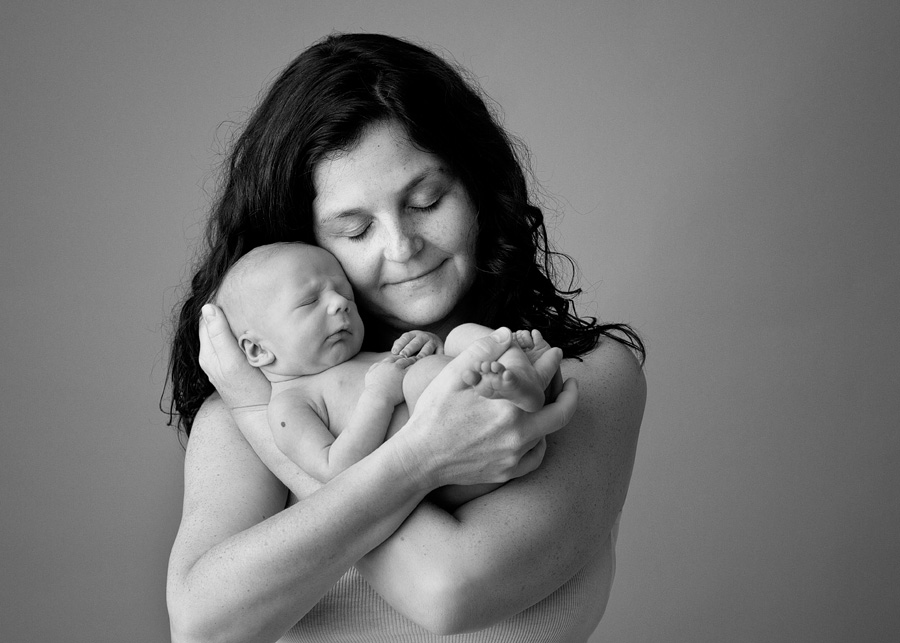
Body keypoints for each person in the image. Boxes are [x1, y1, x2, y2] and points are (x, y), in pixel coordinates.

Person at [166, 33, 646, 642]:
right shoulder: (251, 411)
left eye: (426, 201)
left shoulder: (583, 378)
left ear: (476, 188)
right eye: (356, 229)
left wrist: (259, 416)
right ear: (307, 244)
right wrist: (416, 457)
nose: (401, 247)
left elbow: (451, 590)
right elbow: (203, 630)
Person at [214, 240, 562, 491]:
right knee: (421, 379)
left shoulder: (366, 356)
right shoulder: (288, 406)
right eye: (309, 301)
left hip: (487, 421)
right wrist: (378, 397)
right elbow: (335, 472)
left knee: (459, 337)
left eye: (344, 293)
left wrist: (430, 346)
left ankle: (521, 376)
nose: (339, 304)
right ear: (257, 349)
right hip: (456, 470)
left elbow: (426, 368)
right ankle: (517, 386)